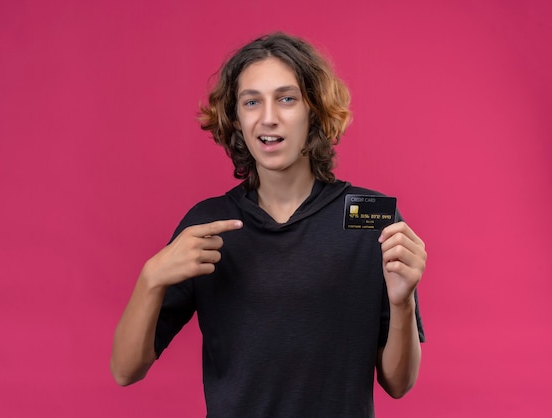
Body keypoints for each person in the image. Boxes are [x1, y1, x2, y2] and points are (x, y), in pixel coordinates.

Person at [111, 32, 427, 417]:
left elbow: (399, 383)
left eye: (287, 99)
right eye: (251, 102)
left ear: (314, 110)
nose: (269, 117)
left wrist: (402, 301)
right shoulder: (208, 226)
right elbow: (126, 370)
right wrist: (151, 278)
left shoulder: (370, 219)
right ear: (236, 117)